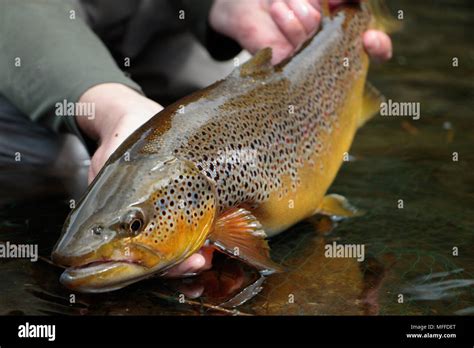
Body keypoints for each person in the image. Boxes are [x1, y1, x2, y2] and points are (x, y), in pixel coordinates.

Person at [0, 0, 392, 277]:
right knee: (62, 159)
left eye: (134, 226)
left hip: (171, 21)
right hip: (26, 37)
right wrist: (114, 109)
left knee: (273, 46)